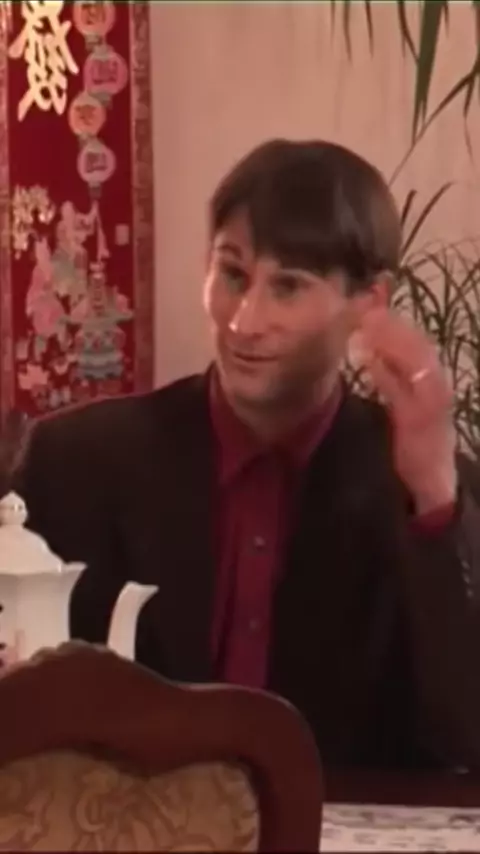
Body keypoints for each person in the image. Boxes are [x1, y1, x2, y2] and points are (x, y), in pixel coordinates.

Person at [14, 139, 480, 770]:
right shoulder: (73, 461)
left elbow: (465, 736)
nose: (244, 322)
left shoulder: (417, 488)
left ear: (369, 303)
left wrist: (432, 494)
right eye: (233, 275)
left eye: (288, 287)